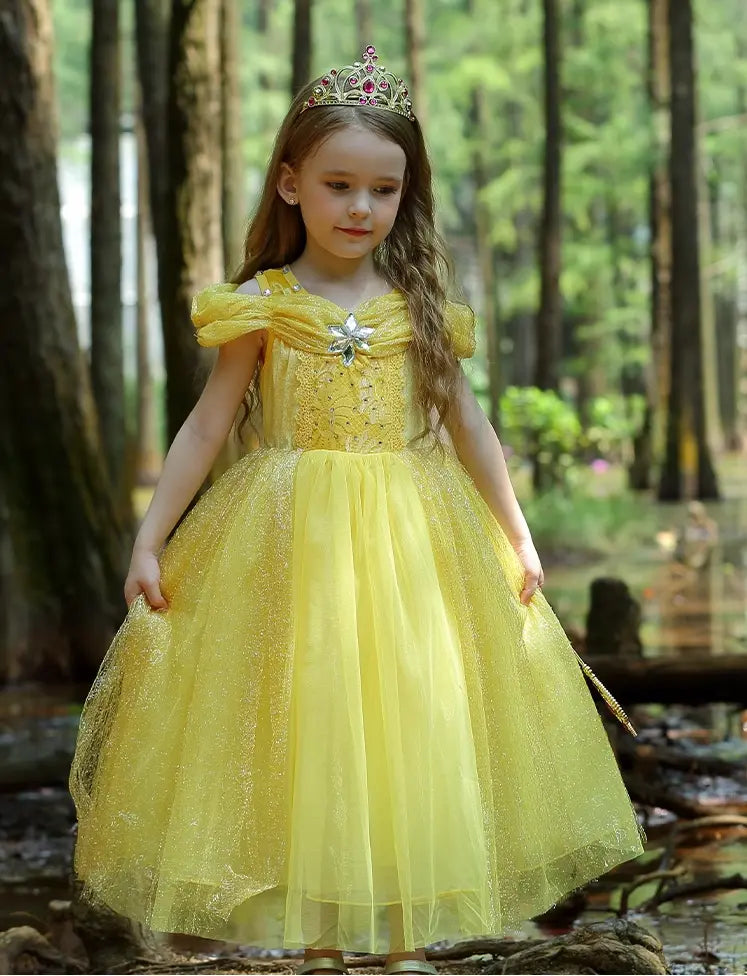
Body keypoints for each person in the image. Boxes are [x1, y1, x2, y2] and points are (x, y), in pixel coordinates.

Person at [68, 43, 646, 976]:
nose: (361, 209)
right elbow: (207, 429)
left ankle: (402, 942)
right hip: (285, 541)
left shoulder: (417, 305)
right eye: (340, 186)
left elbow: (470, 426)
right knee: (300, 724)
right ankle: (326, 942)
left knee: (412, 714)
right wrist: (151, 536)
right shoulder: (262, 304)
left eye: (384, 191)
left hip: (410, 544)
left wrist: (517, 535)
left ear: (403, 196)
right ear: (291, 185)